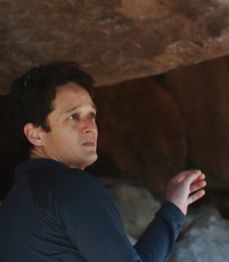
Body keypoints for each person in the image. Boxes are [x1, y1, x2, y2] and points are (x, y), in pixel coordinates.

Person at [0, 61, 207, 261]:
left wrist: (173, 209)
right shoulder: (71, 187)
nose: (91, 127)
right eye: (73, 117)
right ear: (35, 135)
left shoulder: (13, 202)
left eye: (91, 114)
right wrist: (172, 214)